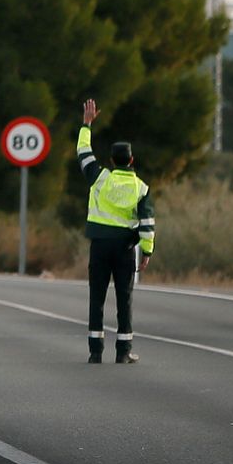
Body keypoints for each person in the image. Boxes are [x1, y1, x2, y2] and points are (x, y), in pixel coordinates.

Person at [78, 98, 155, 364]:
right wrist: (147, 251)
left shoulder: (99, 178)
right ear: (131, 160)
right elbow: (147, 224)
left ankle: (95, 352)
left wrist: (87, 125)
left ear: (112, 160)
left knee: (96, 298)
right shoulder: (141, 188)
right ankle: (123, 352)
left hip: (99, 246)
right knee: (125, 299)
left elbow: (83, 152)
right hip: (125, 249)